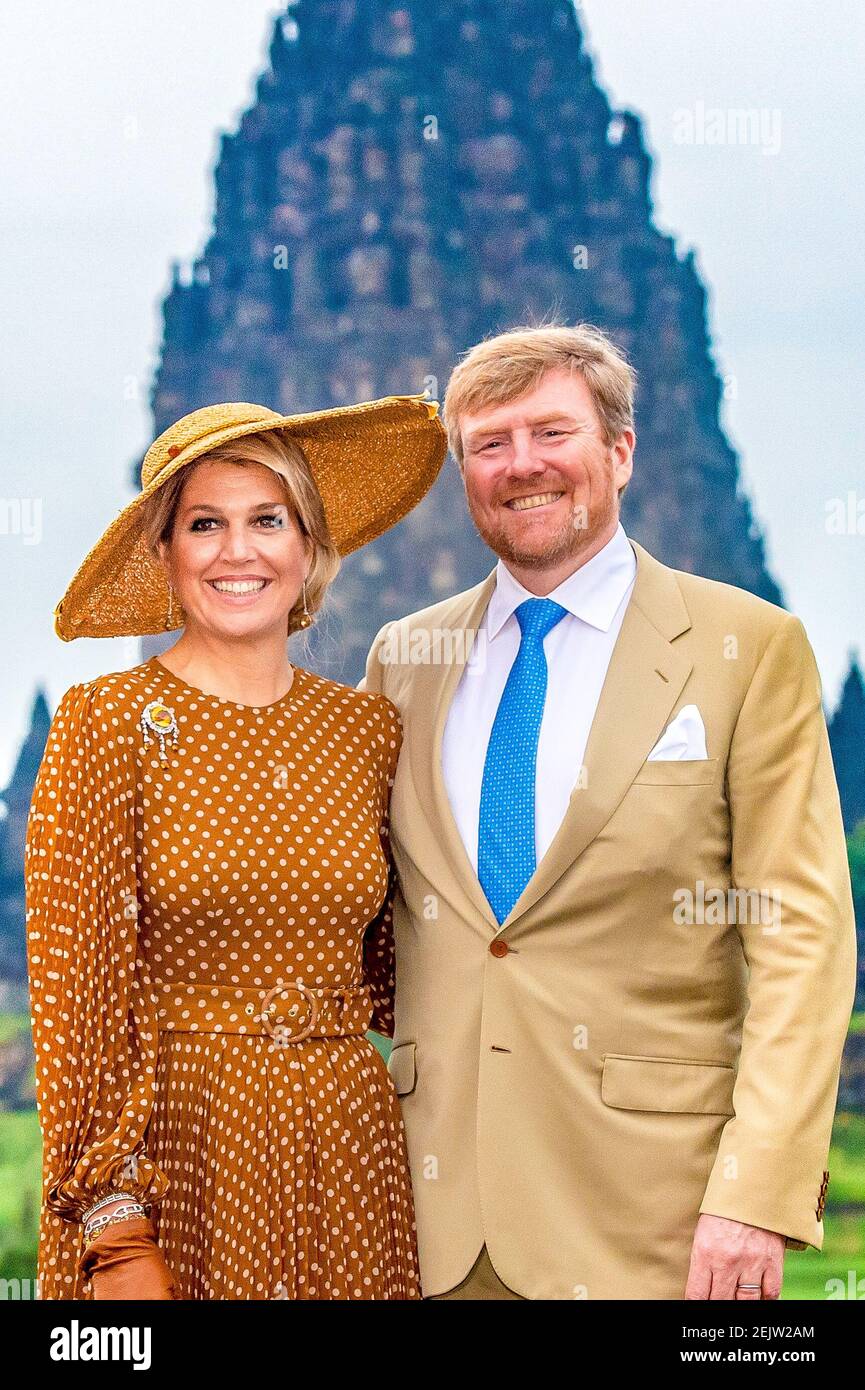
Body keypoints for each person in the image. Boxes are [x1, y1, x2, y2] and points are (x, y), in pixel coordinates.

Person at [358, 323, 858, 1300]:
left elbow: (799, 935)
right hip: (430, 1220)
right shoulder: (402, 659)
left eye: (552, 433)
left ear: (620, 452)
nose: (521, 466)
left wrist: (753, 1194)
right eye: (488, 444)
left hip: (656, 1228)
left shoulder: (745, 648)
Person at [25, 393, 447, 1299]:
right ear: (165, 551)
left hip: (346, 1146)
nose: (238, 550)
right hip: (175, 1154)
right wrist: (111, 1223)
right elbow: (77, 991)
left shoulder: (367, 730)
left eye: (268, 520)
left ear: (308, 545)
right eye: (204, 524)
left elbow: (406, 968)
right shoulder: (103, 726)